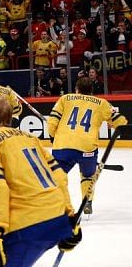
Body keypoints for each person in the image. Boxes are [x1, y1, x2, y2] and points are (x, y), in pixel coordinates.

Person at [0, 96, 80, 267]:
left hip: (26, 226)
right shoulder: (31, 138)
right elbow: (59, 176)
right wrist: (69, 216)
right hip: (57, 218)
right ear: (10, 117)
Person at [47, 77, 128, 214]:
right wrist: (115, 124)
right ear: (91, 91)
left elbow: (52, 121)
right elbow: (121, 122)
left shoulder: (65, 98)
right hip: (87, 147)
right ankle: (87, 202)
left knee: (57, 175)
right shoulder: (101, 103)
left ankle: (56, 204)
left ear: (76, 89)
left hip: (63, 145)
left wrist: (52, 137)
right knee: (87, 175)